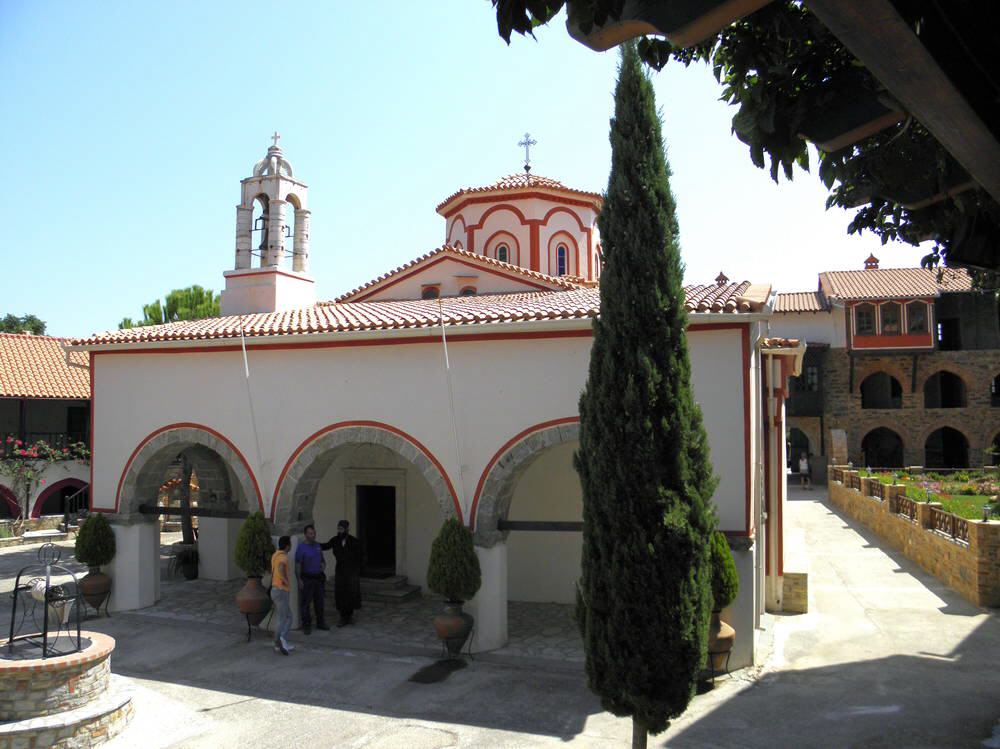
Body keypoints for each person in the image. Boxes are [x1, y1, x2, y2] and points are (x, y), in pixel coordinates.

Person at [321, 520, 363, 627]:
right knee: (341, 593)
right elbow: (326, 546)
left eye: (342, 529)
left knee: (351, 593)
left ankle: (349, 616)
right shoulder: (335, 540)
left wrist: (357, 569)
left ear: (347, 529)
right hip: (340, 570)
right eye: (339, 529)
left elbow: (360, 556)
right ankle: (342, 617)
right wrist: (313, 543)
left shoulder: (354, 541)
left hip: (351, 571)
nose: (340, 531)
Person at [294, 524, 329, 633]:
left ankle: (320, 622)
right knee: (306, 603)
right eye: (310, 533)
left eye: (314, 533)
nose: (313, 535)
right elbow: (298, 564)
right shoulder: (301, 548)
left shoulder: (318, 546)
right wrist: (299, 579)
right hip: (307, 578)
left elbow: (322, 560)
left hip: (318, 578)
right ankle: (307, 624)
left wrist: (324, 565)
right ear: (306, 535)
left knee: (319, 602)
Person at [270, 536, 294, 655]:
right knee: (285, 618)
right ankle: (281, 640)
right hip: (281, 590)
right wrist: (285, 580)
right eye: (290, 543)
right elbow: (280, 569)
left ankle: (279, 643)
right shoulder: (284, 557)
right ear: (287, 545)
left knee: (286, 617)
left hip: (274, 590)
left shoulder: (275, 555)